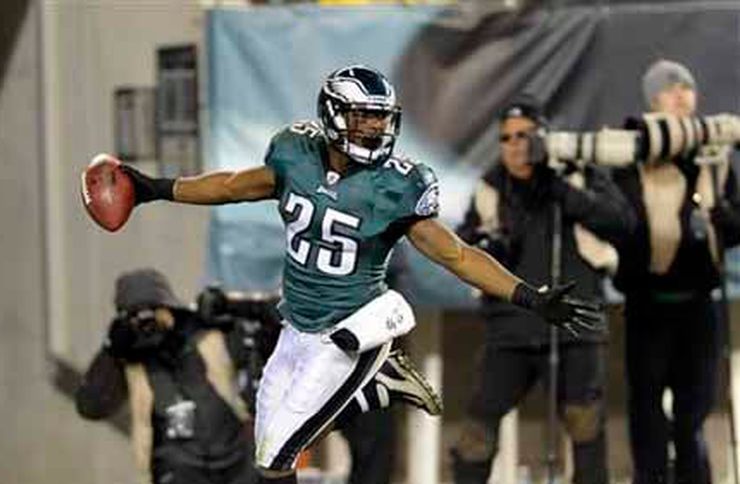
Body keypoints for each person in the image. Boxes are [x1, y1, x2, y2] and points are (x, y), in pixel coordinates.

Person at [118, 65, 602, 484]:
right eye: (363, 116)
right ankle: (376, 387)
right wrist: (154, 188)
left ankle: (377, 375)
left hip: (356, 322)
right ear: (332, 114)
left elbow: (455, 255)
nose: (374, 126)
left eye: (380, 117)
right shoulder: (295, 154)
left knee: (283, 446)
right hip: (297, 325)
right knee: (267, 455)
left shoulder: (395, 185)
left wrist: (530, 296)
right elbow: (230, 186)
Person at [449, 96, 633, 484]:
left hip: (575, 325)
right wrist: (488, 242)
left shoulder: (576, 174)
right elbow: (464, 247)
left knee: (585, 423)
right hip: (509, 329)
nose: (516, 145)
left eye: (525, 136)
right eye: (507, 138)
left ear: (544, 136)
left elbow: (622, 223)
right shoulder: (491, 186)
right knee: (476, 433)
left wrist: (563, 191)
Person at [612, 59, 740, 484]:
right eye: (669, 89)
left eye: (686, 87)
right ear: (653, 101)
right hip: (649, 303)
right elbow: (622, 221)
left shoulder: (714, 155)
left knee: (694, 411)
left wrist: (723, 219)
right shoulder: (633, 152)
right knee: (647, 409)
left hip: (699, 303)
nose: (681, 95)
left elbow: (734, 224)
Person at [75, 268, 257, 484]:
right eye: (136, 316)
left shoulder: (207, 335)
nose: (147, 323)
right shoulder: (129, 359)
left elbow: (263, 353)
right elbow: (91, 407)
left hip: (237, 462)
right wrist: (111, 351)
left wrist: (231, 312)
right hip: (174, 470)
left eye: (152, 311)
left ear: (170, 307)